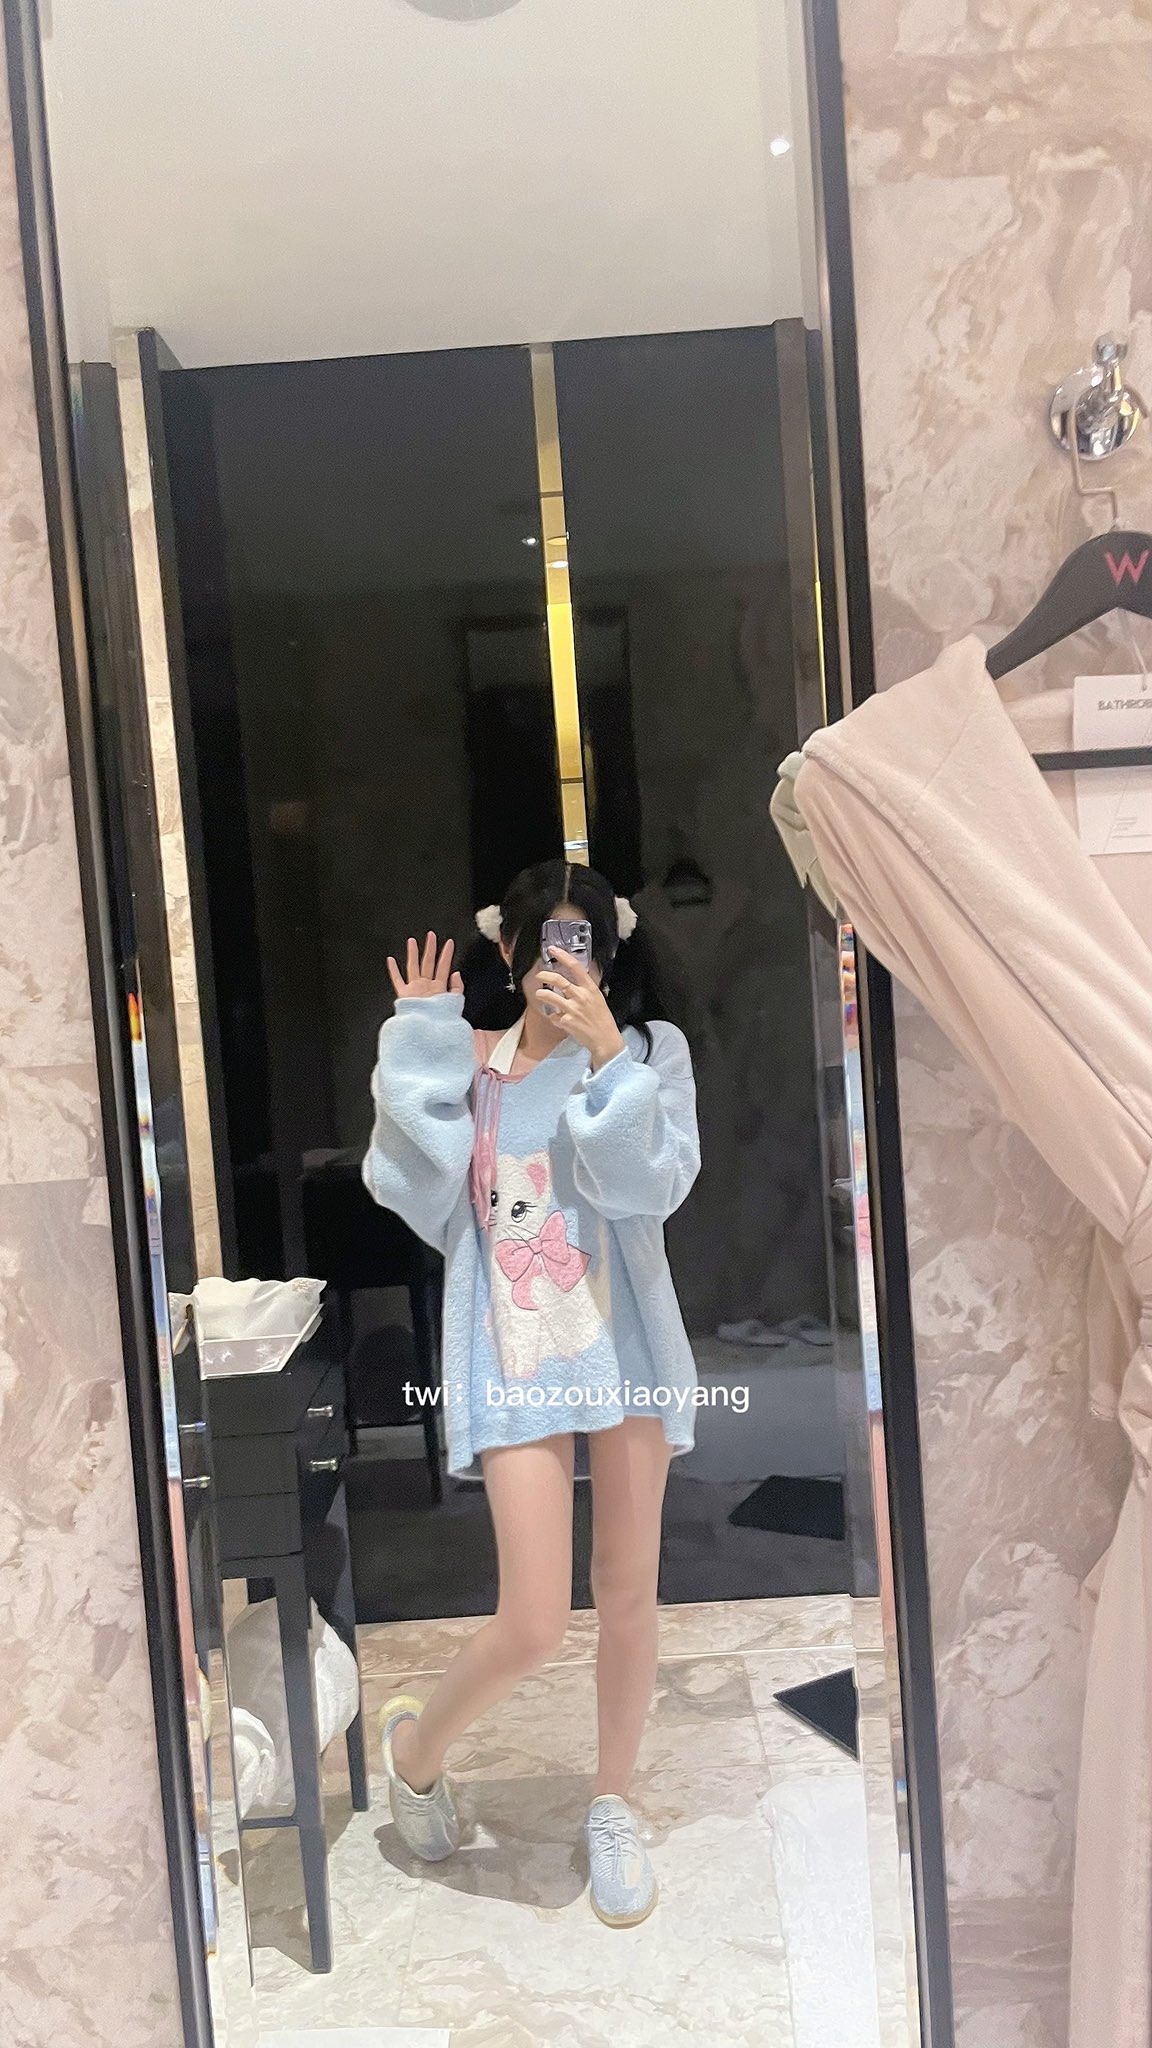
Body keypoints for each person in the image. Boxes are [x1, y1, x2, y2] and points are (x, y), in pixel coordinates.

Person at [362, 858, 701, 1926]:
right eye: (545, 938)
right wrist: (421, 1040)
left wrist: (608, 1056)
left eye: (582, 938)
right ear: (508, 949)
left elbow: (651, 1187)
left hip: (625, 1351)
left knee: (631, 1592)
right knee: (534, 1620)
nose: (563, 958)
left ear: (608, 948)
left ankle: (613, 1800)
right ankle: (415, 1753)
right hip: (516, 1357)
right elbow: (407, 1187)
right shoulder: (474, 1065)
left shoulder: (649, 1051)